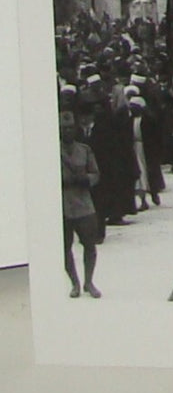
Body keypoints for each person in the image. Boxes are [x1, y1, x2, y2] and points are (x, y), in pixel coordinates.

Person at [59, 110, 103, 299]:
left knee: (90, 245)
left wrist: (86, 179)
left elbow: (96, 173)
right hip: (63, 205)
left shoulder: (85, 150)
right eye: (64, 128)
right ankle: (74, 283)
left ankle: (88, 281)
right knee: (65, 247)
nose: (68, 131)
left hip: (84, 204)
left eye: (70, 128)